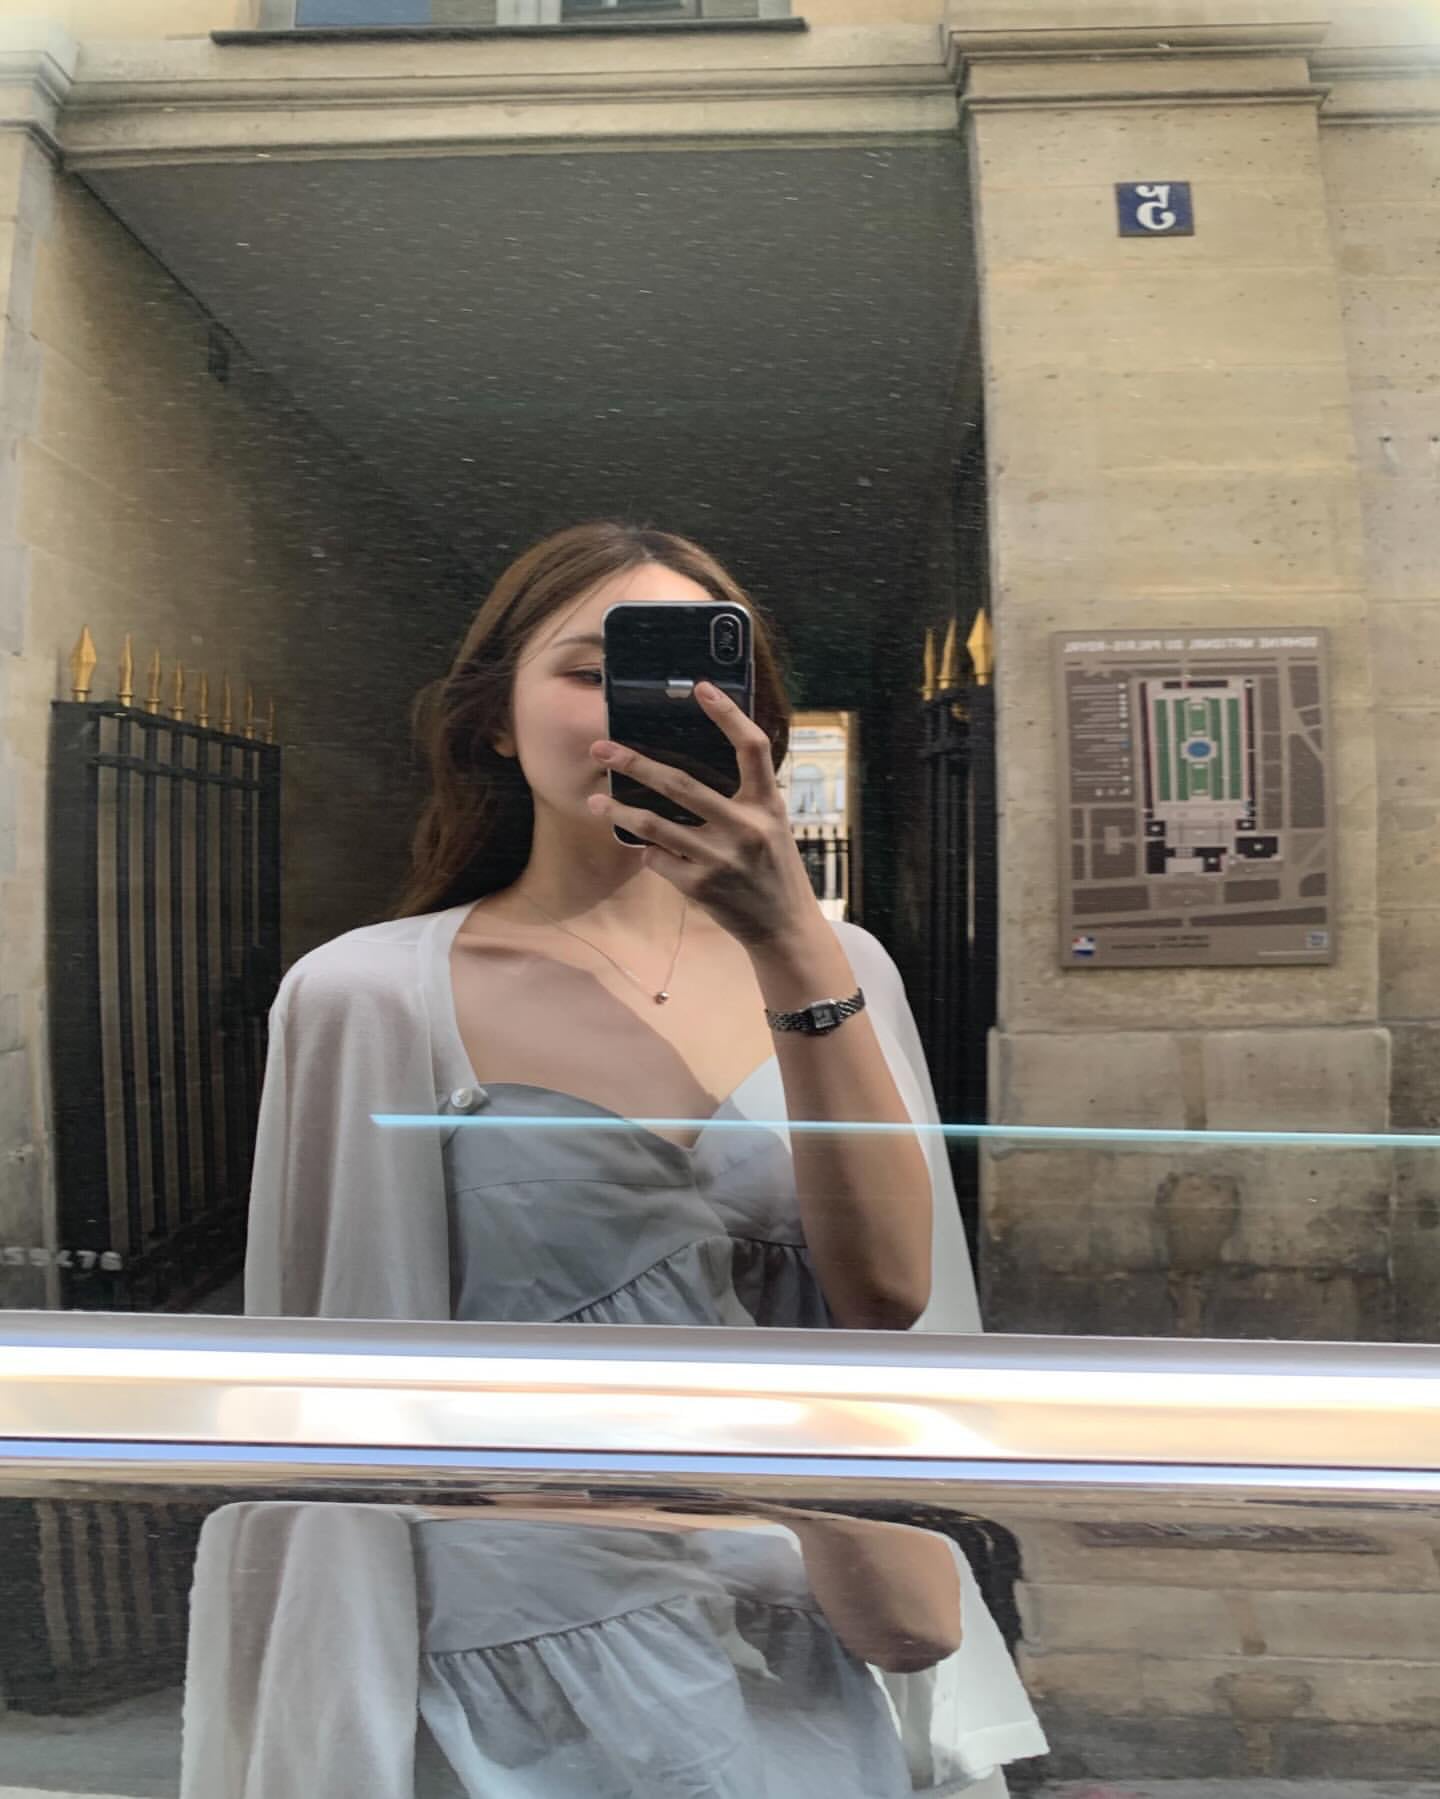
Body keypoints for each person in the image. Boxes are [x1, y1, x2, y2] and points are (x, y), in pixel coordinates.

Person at [230, 521, 1046, 1796]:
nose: (637, 708)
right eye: (584, 669)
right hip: (523, 1660)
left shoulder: (844, 966)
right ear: (496, 722)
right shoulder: (367, 996)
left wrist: (790, 940)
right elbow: (330, 1388)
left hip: (807, 1633)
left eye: (691, 671)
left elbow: (893, 1294)